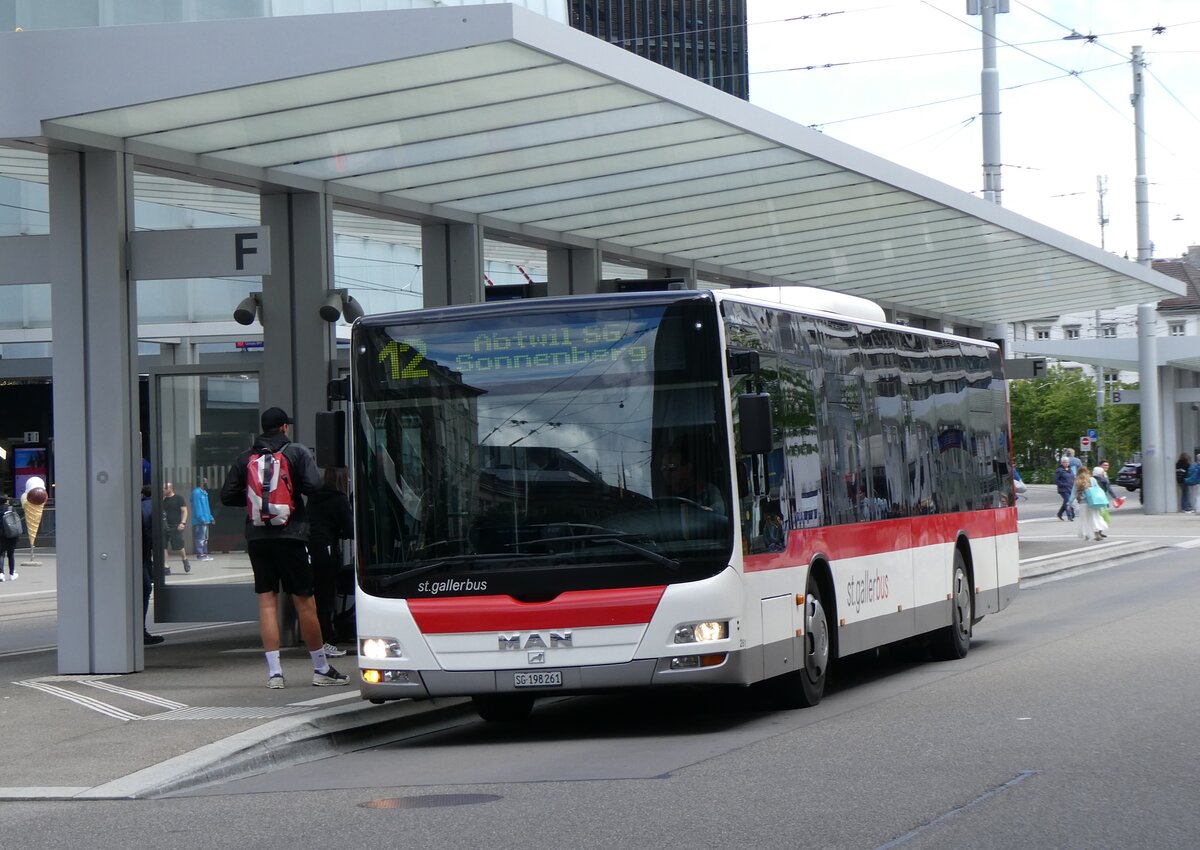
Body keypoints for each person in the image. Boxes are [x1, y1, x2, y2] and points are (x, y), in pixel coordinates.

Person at [220, 407, 348, 689]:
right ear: (284, 428)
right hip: (291, 534)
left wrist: (257, 499)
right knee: (305, 601)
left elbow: (227, 496)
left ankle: (275, 674)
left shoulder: (246, 458)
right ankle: (320, 668)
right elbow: (314, 486)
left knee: (267, 602)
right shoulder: (296, 452)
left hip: (257, 538)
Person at [306, 467, 354, 658]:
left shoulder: (314, 497)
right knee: (326, 597)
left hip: (310, 548)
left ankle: (321, 638)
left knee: (317, 596)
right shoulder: (339, 500)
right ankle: (327, 640)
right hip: (326, 549)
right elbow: (350, 530)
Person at [660, 439, 726, 515]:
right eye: (664, 468)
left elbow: (718, 511)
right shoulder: (661, 496)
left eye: (672, 467)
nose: (666, 473)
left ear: (688, 468)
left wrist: (706, 512)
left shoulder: (707, 491)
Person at [139, 486, 164, 645]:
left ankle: (139, 630)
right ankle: (139, 631)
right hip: (142, 555)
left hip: (140, 554)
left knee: (144, 587)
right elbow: (154, 533)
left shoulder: (141, 505)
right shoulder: (152, 507)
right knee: (145, 588)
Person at [161, 481, 191, 575]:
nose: (163, 490)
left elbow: (184, 511)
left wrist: (183, 523)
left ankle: (184, 559)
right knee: (163, 546)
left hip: (176, 525)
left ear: (170, 488)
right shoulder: (163, 500)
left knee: (179, 546)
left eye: (165, 489)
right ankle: (166, 566)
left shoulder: (179, 498)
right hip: (164, 526)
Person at [1074, 468, 1108, 542]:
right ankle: (1096, 533)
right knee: (1095, 517)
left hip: (1083, 503)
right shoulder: (1092, 479)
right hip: (1093, 502)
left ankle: (1087, 535)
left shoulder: (1077, 480)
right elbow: (1098, 489)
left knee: (1084, 519)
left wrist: (1069, 503)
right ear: (1087, 472)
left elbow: (1073, 493)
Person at [190, 478, 215, 561]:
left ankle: (204, 554)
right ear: (201, 483)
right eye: (205, 482)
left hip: (206, 519)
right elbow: (197, 507)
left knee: (205, 538)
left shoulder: (204, 493)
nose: (206, 483)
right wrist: (201, 518)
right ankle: (200, 555)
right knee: (200, 538)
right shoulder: (197, 493)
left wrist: (211, 517)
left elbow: (207, 507)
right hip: (200, 520)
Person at [0, 494, 19, 581]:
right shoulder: (11, 509)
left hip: (1, 534)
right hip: (11, 534)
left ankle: (1, 574)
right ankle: (12, 573)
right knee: (10, 554)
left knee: (1, 554)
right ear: (7, 500)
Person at [1054, 457, 1076, 521]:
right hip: (1063, 489)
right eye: (1065, 462)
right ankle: (1070, 516)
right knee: (1068, 501)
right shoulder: (1059, 470)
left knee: (1067, 502)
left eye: (1067, 462)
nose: (1066, 463)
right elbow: (1056, 480)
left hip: (1071, 488)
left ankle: (1059, 514)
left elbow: (1073, 478)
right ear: (1062, 463)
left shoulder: (1070, 469)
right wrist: (1064, 484)